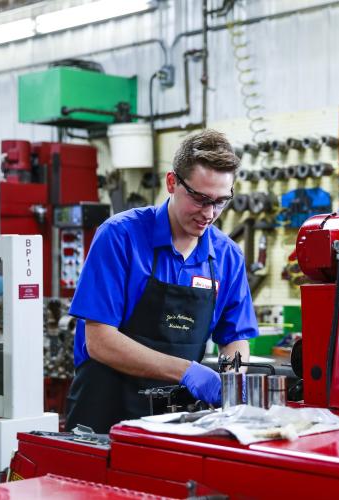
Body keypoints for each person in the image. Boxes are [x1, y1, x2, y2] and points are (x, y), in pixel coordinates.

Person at [65, 129, 259, 433]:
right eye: (199, 198)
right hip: (104, 416)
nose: (209, 213)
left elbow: (234, 338)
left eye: (221, 201)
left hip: (175, 421)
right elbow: (99, 341)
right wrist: (186, 371)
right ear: (172, 183)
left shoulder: (227, 257)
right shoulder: (120, 237)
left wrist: (232, 381)